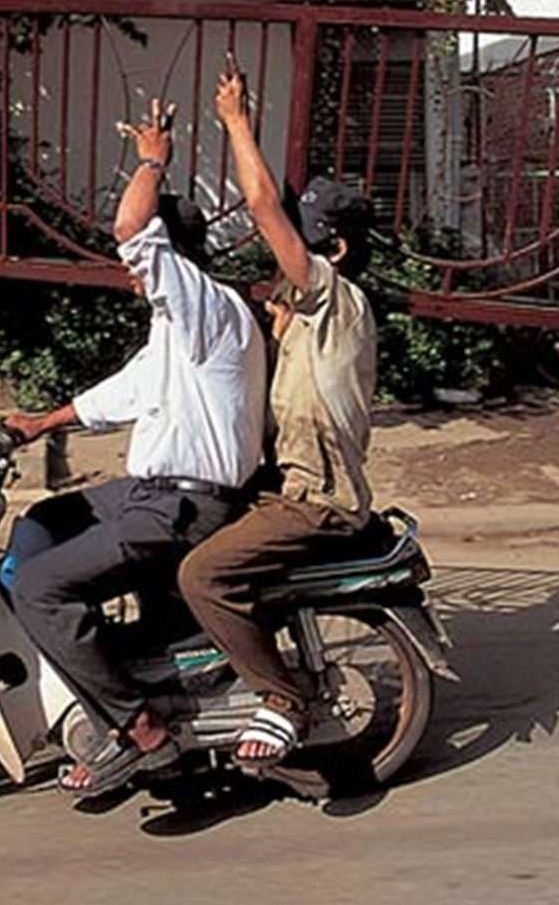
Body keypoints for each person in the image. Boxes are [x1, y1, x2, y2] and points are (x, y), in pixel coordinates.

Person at [3, 97, 267, 797]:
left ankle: (139, 729)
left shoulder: (205, 304)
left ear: (171, 257)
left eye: (145, 262)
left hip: (180, 506)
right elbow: (123, 392)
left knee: (39, 586)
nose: (131, 270)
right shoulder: (177, 330)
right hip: (152, 495)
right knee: (43, 523)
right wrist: (39, 422)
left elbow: (129, 228)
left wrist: (153, 159)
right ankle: (108, 669)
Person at [178, 57, 378, 768]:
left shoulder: (337, 298)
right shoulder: (298, 310)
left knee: (200, 576)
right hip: (282, 484)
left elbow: (263, 209)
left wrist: (235, 122)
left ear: (335, 249)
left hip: (315, 500)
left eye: (301, 237)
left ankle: (282, 695)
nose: (282, 253)